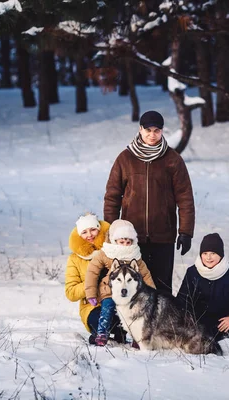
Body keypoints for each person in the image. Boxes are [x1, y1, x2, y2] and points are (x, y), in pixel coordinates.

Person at [104, 110, 195, 293]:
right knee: (134, 287)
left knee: (162, 289)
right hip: (131, 238)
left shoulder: (172, 160)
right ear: (140, 129)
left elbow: (185, 198)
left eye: (157, 130)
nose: (152, 135)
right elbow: (112, 196)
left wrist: (185, 232)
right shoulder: (125, 158)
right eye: (148, 130)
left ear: (162, 131)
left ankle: (163, 322)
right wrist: (110, 231)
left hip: (163, 236)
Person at [84, 219, 156, 346]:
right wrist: (90, 293)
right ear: (114, 240)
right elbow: (92, 272)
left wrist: (153, 295)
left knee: (135, 312)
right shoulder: (106, 253)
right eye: (121, 241)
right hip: (110, 291)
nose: (125, 245)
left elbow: (145, 274)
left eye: (128, 242)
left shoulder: (135, 255)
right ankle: (101, 333)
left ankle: (136, 338)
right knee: (107, 308)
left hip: (131, 293)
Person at [176, 233, 229, 341]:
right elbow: (182, 299)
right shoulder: (192, 272)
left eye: (213, 253)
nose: (208, 257)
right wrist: (185, 321)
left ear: (221, 255)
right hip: (198, 325)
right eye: (205, 253)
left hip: (224, 325)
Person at [64, 212, 126, 344]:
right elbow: (71, 293)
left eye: (93, 230)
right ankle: (103, 332)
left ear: (100, 230)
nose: (90, 235)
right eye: (84, 232)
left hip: (116, 301)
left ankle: (121, 331)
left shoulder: (113, 250)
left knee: (126, 318)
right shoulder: (74, 259)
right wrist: (91, 282)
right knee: (103, 320)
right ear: (79, 235)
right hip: (92, 306)